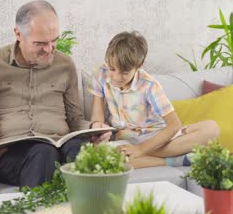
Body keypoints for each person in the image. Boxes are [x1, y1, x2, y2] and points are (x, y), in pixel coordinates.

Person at [0, 0, 111, 188]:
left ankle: (90, 213)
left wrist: (94, 127)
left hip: (58, 143)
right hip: (10, 153)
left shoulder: (65, 65)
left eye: (54, 41)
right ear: (18, 34)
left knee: (78, 151)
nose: (50, 49)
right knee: (43, 153)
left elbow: (74, 119)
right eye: (40, 43)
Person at [89, 31, 220, 169]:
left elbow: (174, 125)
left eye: (124, 72)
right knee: (99, 156)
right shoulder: (101, 73)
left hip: (155, 138)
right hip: (123, 139)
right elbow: (97, 115)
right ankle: (177, 160)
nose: (116, 76)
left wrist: (140, 149)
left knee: (212, 129)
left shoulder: (149, 85)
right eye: (112, 69)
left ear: (139, 65)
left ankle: (144, 154)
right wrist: (98, 130)